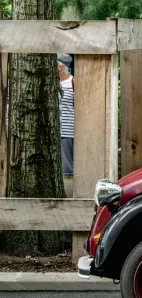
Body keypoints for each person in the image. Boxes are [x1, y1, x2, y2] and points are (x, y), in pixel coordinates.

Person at [57, 54, 74, 197]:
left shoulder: (73, 82)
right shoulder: (54, 83)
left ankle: (69, 195)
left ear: (60, 67)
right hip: (57, 131)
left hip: (69, 131)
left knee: (67, 167)